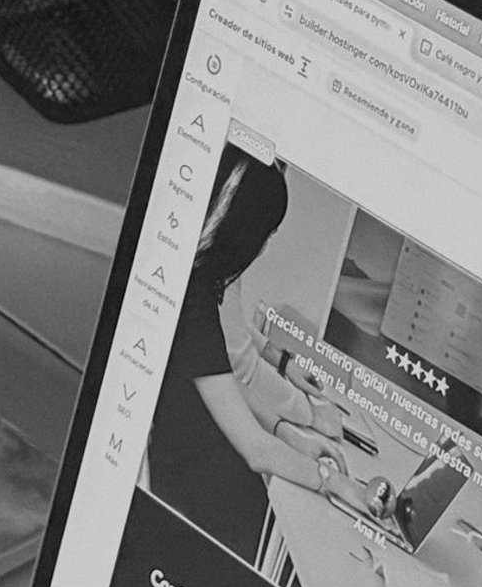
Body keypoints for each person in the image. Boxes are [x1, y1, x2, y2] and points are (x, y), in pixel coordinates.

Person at [151, 150, 376, 565]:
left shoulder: (197, 277)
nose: (267, 246)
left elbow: (223, 376)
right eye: (267, 234)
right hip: (181, 471)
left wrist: (288, 434)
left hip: (189, 448)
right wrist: (334, 482)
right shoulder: (198, 300)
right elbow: (254, 447)